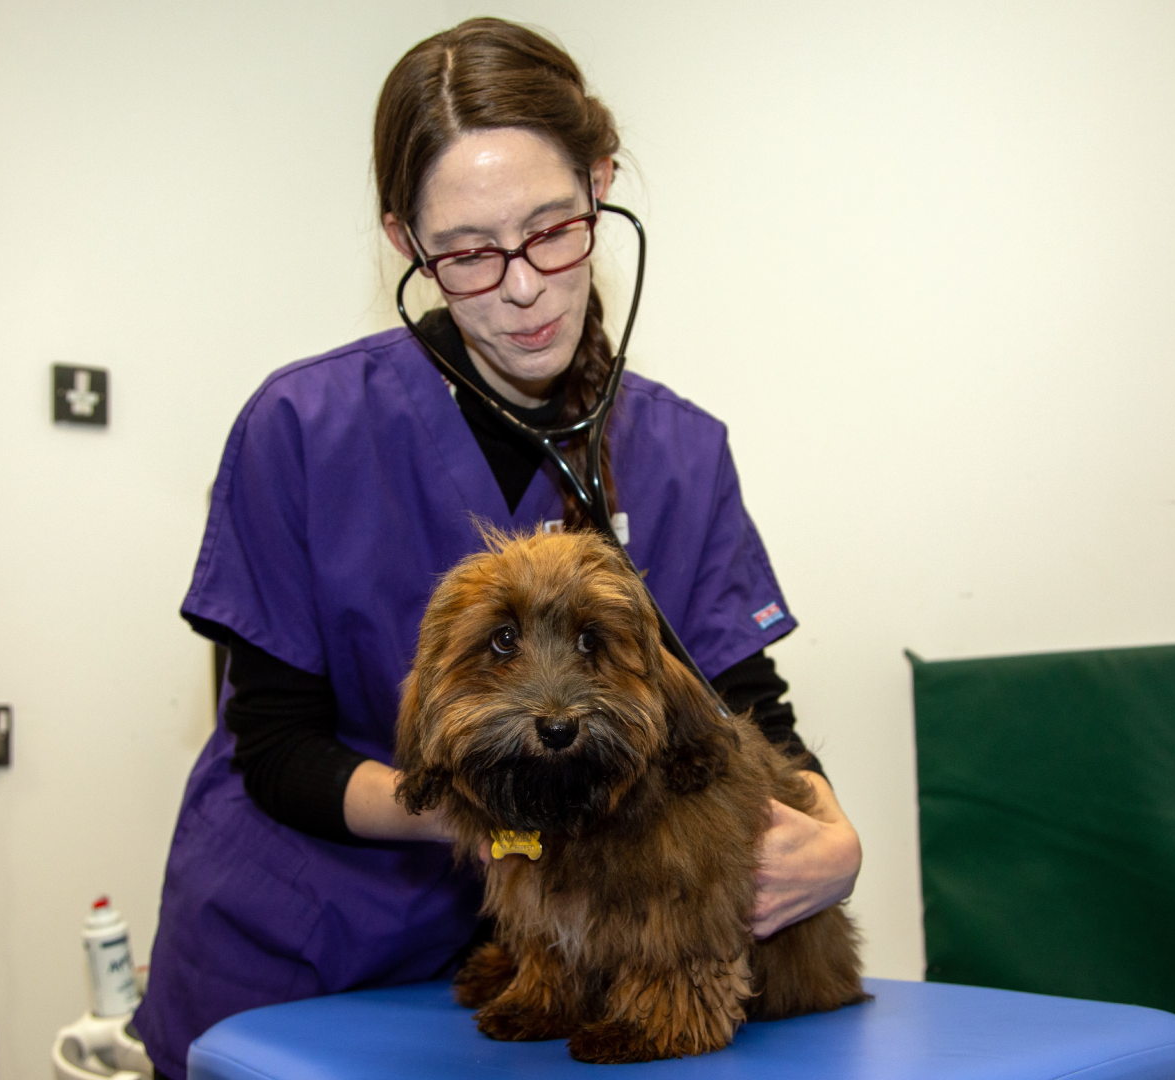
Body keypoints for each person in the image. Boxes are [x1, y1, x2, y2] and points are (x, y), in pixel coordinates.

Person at [134, 18, 862, 1080]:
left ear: (601, 185)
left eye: (552, 230)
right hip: (301, 966)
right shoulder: (302, 427)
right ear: (405, 244)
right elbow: (277, 752)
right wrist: (509, 814)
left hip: (548, 974)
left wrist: (834, 840)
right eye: (469, 253)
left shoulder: (680, 449)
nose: (521, 286)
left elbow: (744, 703)